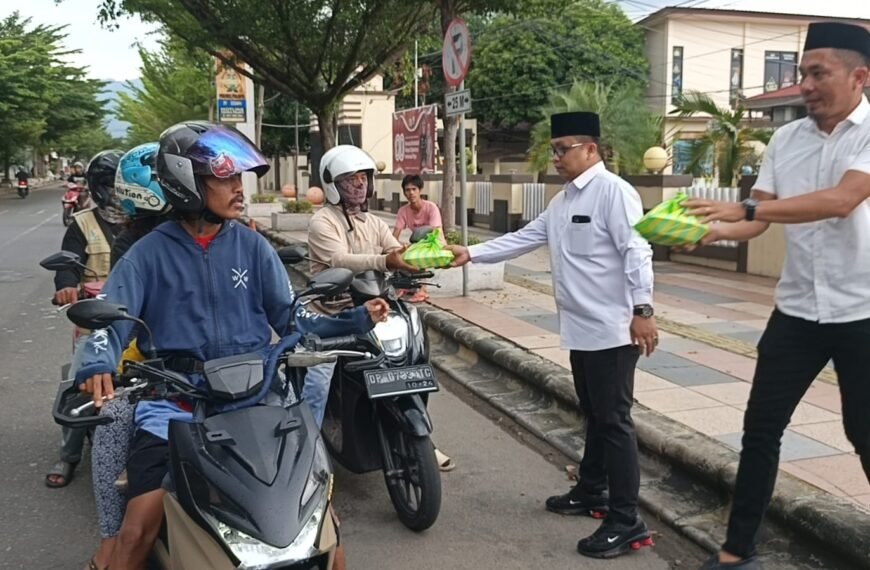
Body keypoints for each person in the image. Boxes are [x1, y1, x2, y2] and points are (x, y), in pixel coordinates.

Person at [74, 122, 388, 570]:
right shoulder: (146, 256)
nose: (239, 189)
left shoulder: (252, 246)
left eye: (238, 178)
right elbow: (110, 318)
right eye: (225, 178)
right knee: (138, 526)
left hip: (259, 400)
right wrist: (97, 362)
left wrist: (356, 321)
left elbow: (292, 317)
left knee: (323, 528)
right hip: (177, 405)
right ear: (186, 183)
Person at [679, 22, 870, 570]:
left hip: (862, 311)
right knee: (760, 430)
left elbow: (840, 201)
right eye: (802, 73)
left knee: (863, 430)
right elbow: (754, 224)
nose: (806, 84)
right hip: (797, 312)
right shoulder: (786, 140)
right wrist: (711, 231)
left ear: (859, 77)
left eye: (818, 73)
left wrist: (747, 211)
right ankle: (737, 552)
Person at [448, 111, 658, 559]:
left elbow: (637, 249)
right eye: (554, 149)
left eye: (564, 149)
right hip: (580, 329)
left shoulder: (613, 193)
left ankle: (627, 520)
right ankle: (592, 490)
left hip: (613, 329)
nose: (556, 157)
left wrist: (643, 309)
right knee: (595, 412)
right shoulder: (562, 202)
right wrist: (470, 253)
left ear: (591, 150)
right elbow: (525, 237)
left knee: (615, 421)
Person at [306, 144, 455, 471]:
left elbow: (396, 249)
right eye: (350, 179)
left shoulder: (372, 221)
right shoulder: (323, 222)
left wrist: (429, 256)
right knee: (316, 385)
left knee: (407, 362)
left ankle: (421, 439)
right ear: (333, 184)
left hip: (375, 308)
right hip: (332, 317)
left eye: (363, 178)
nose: (360, 185)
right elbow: (339, 260)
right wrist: (385, 259)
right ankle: (307, 455)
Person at [85, 141, 172, 570]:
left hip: (220, 373)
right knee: (113, 418)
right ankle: (109, 538)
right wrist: (101, 358)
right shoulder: (133, 247)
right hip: (147, 360)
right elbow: (118, 314)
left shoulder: (228, 238)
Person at [45, 149, 128, 489]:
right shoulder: (82, 224)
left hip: (137, 316)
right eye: (110, 185)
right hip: (94, 319)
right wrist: (66, 287)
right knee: (81, 379)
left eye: (121, 185)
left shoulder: (147, 221)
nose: (116, 193)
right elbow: (67, 265)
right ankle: (69, 455)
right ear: (97, 188)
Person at [392, 174, 443, 240]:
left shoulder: (432, 208)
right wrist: (401, 246)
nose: (411, 193)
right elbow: (394, 236)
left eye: (414, 189)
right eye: (407, 190)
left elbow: (436, 232)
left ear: (420, 190)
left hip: (436, 245)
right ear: (404, 193)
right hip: (418, 246)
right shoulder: (403, 211)